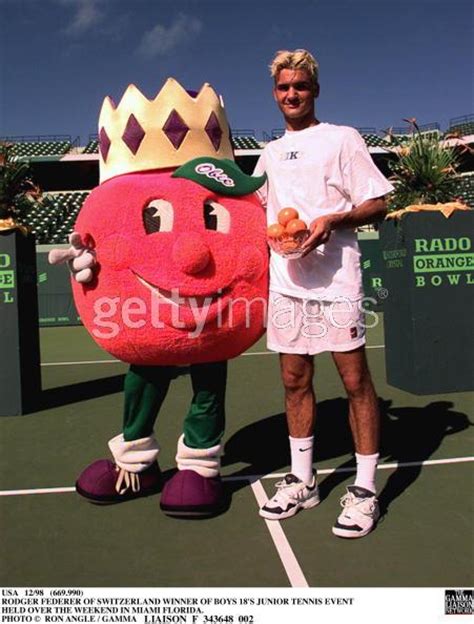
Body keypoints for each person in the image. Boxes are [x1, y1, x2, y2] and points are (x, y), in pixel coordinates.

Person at [254, 49, 394, 538]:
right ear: (275, 93)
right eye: (283, 87)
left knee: (355, 381)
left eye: (301, 86)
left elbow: (377, 203)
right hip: (287, 282)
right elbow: (266, 216)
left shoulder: (342, 138)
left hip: (337, 280)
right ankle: (302, 480)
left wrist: (335, 219)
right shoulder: (269, 154)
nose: (291, 94)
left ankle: (365, 489)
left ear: (315, 90)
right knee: (294, 380)